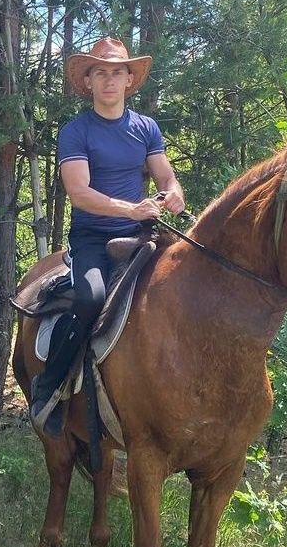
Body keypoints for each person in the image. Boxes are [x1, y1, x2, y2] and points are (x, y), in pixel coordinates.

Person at [29, 37, 185, 435]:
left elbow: (164, 174)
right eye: (101, 72)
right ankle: (50, 387)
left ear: (130, 79)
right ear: (90, 81)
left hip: (141, 235)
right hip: (93, 240)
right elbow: (79, 192)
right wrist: (129, 208)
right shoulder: (76, 131)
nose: (110, 80)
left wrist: (173, 192)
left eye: (117, 72)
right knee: (91, 296)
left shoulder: (145, 128)